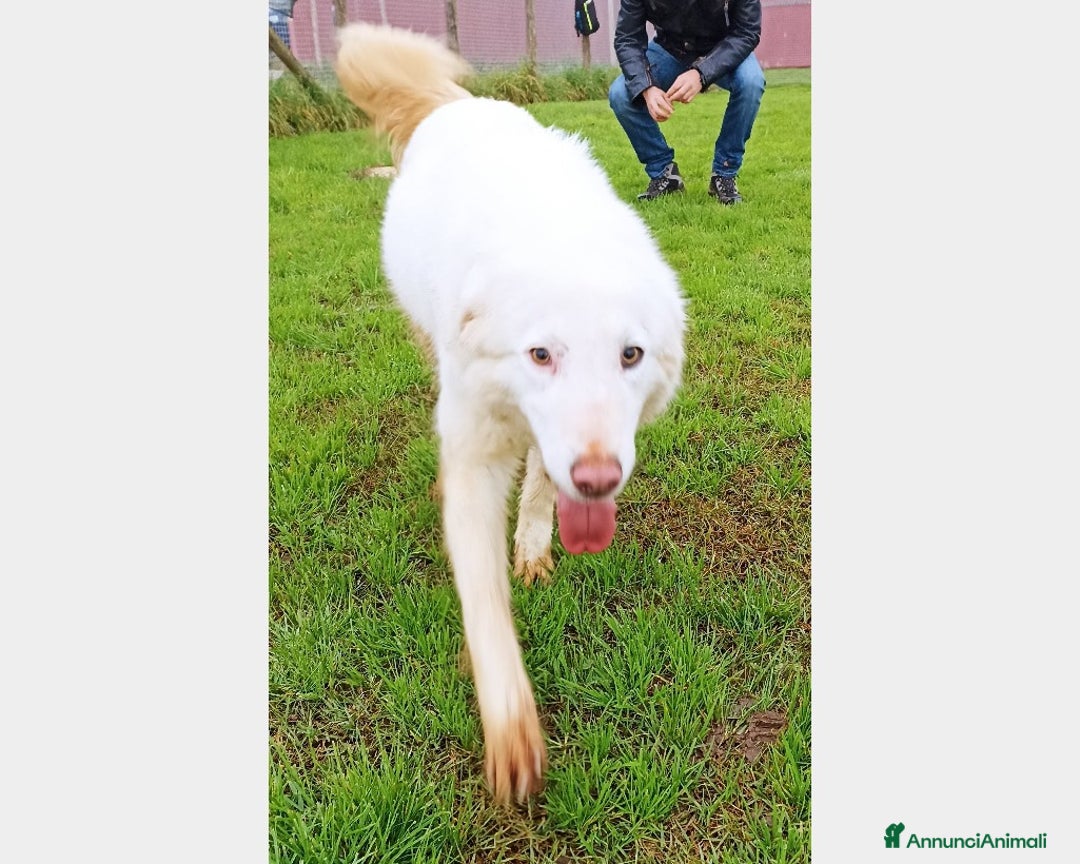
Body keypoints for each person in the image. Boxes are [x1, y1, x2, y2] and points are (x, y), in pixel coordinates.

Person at [609, 0, 766, 204]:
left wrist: (701, 73)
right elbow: (627, 38)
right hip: (670, 49)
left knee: (751, 82)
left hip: (723, 48)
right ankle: (664, 173)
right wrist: (646, 87)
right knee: (620, 94)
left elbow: (747, 32)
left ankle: (724, 173)